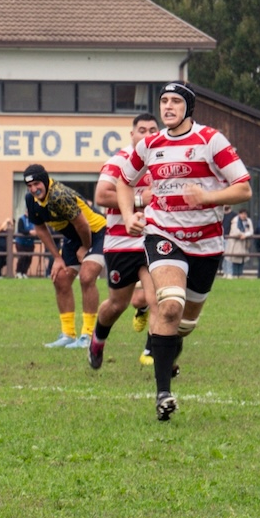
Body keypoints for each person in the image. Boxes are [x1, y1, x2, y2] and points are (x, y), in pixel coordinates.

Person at [115, 81, 252, 421]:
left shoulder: (211, 140)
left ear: (188, 108)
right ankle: (163, 395)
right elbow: (124, 180)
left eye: (176, 101)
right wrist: (130, 214)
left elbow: (244, 188)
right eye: (164, 101)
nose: (168, 106)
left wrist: (208, 198)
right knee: (170, 305)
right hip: (163, 234)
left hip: (206, 244)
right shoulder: (150, 145)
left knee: (185, 324)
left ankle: (169, 353)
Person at [87, 112, 159, 370]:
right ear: (133, 135)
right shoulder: (120, 160)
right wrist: (140, 199)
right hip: (121, 242)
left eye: (153, 129)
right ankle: (98, 338)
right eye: (142, 130)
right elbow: (101, 195)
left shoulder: (162, 161)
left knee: (158, 296)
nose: (148, 134)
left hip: (154, 239)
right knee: (117, 304)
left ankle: (153, 351)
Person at [24, 163, 107, 350]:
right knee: (60, 278)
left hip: (97, 232)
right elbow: (40, 228)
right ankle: (68, 334)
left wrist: (85, 248)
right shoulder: (30, 199)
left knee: (86, 277)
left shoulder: (59, 195)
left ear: (44, 181)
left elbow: (83, 225)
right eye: (29, 186)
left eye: (36, 184)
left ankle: (88, 335)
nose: (33, 189)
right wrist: (57, 257)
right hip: (74, 236)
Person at [226, 208, 253, 278]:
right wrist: (241, 234)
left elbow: (251, 231)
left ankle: (240, 274)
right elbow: (234, 230)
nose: (244, 215)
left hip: (244, 243)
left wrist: (245, 235)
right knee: (235, 258)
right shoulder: (235, 220)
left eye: (245, 214)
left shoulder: (248, 221)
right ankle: (235, 274)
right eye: (242, 214)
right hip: (236, 243)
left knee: (243, 259)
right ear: (239, 214)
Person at [14, 212, 36, 278]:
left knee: (29, 258)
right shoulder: (21, 219)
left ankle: (24, 272)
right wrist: (29, 232)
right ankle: (18, 272)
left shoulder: (34, 220)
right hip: (21, 242)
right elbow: (20, 230)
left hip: (30, 242)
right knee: (22, 257)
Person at [220, 204, 236, 278]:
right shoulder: (220, 214)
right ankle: (225, 272)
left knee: (228, 256)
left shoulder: (234, 215)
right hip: (220, 238)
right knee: (223, 256)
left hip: (229, 238)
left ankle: (229, 272)